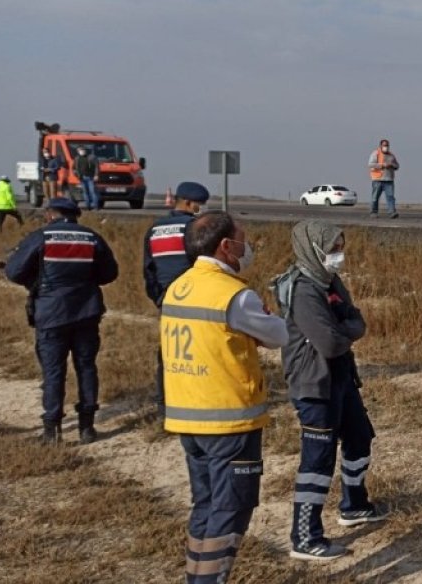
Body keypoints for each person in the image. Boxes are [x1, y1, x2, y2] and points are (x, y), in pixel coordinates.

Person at [161, 211, 287, 584]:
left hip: (189, 417)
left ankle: (196, 577)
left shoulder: (179, 286)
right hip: (229, 419)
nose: (248, 248)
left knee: (206, 505)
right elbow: (280, 336)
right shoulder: (233, 295)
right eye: (243, 240)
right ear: (226, 246)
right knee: (231, 509)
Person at [276, 220, 387, 561]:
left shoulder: (330, 280)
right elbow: (329, 341)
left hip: (342, 377)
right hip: (315, 383)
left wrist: (345, 328)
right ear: (314, 247)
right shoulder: (304, 289)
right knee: (318, 459)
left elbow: (356, 321)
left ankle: (354, 505)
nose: (339, 254)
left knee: (359, 437)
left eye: (341, 246)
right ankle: (306, 536)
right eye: (334, 247)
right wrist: (346, 329)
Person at [5, 197, 119, 443]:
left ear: (49, 214)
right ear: (75, 215)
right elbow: (110, 273)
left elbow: (13, 272)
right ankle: (87, 428)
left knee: (54, 370)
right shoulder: (91, 237)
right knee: (86, 367)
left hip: (51, 314)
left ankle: (51, 430)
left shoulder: (41, 237)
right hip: (87, 312)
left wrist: (36, 281)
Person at [143, 181, 211, 420]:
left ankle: (164, 406)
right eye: (199, 205)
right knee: (199, 352)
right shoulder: (195, 228)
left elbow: (148, 270)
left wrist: (160, 299)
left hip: (168, 301)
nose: (200, 209)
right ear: (189, 203)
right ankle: (195, 402)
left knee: (169, 352)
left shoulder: (155, 229)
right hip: (196, 299)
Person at [367, 138, 399, 218]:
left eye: (387, 145)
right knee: (375, 197)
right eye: (384, 145)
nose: (386, 147)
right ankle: (373, 212)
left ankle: (392, 212)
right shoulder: (375, 153)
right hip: (378, 179)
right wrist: (383, 165)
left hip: (389, 179)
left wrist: (392, 165)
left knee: (390, 197)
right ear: (381, 145)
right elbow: (370, 164)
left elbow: (397, 166)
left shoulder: (391, 155)